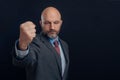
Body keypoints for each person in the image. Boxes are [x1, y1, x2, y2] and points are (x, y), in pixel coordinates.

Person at [12, 6, 69, 80]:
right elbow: (24, 61)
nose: (52, 27)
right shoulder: (33, 41)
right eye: (47, 23)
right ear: (41, 23)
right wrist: (23, 44)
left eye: (56, 22)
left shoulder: (64, 45)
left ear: (61, 23)